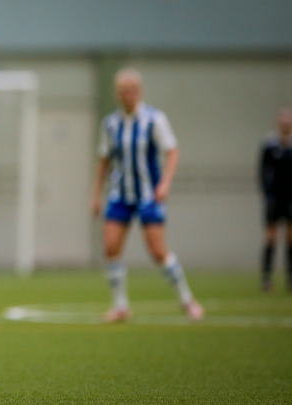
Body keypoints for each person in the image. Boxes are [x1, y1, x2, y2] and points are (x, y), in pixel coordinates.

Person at [91, 68, 204, 322]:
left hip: (148, 195)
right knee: (110, 247)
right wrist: (96, 194)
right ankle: (121, 306)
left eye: (132, 90)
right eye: (123, 91)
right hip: (120, 194)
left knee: (157, 252)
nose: (128, 95)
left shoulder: (154, 120)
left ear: (139, 92)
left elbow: (172, 152)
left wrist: (164, 184)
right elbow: (104, 161)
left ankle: (187, 300)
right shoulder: (110, 124)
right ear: (117, 95)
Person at [259, 107, 292, 292]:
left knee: (290, 238)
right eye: (283, 122)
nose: (285, 125)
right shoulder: (270, 145)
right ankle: (266, 277)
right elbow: (263, 172)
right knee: (271, 237)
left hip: (290, 199)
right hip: (274, 198)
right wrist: (267, 195)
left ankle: (290, 278)